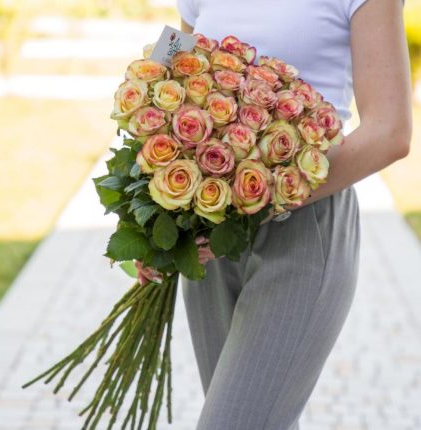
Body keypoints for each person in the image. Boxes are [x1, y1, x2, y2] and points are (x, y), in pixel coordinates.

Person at [176, 0, 412, 429]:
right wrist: (156, 224)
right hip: (209, 230)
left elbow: (390, 131)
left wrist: (263, 199)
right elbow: (177, 79)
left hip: (305, 226)